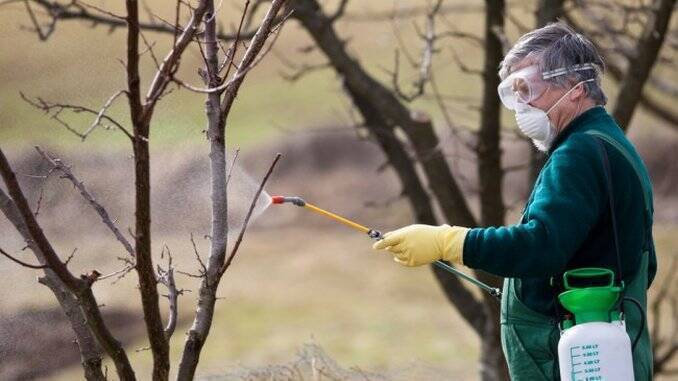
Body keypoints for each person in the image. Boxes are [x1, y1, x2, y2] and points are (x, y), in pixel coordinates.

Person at [372, 22, 656, 380]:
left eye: (530, 88)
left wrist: (448, 241)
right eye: (514, 92)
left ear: (575, 86)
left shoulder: (580, 153)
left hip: (581, 362)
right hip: (603, 354)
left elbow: (541, 246)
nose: (522, 105)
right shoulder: (607, 143)